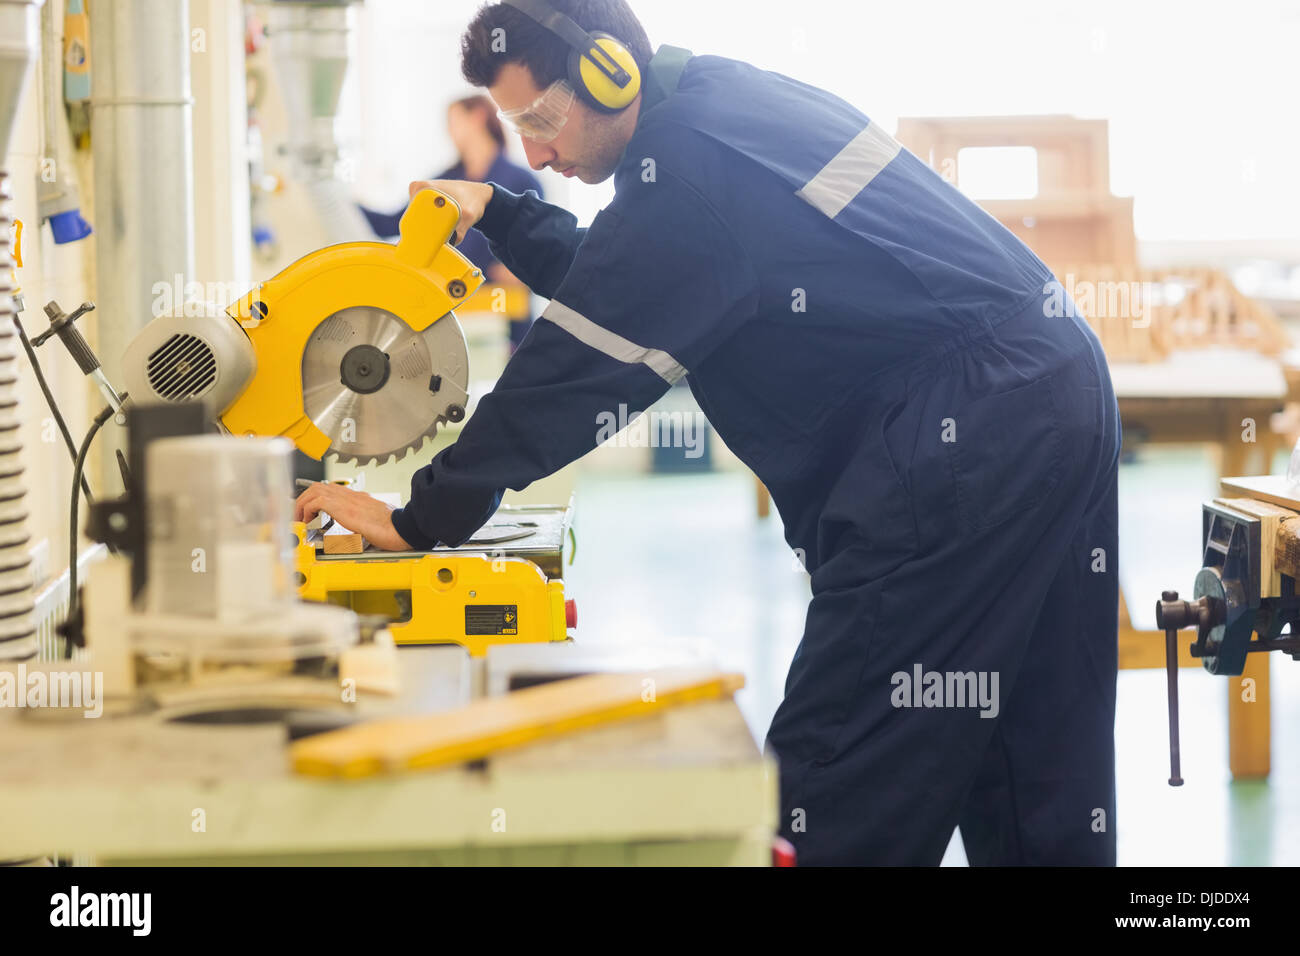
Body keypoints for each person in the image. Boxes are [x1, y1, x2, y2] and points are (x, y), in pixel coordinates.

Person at [296, 0, 1121, 866]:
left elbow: (580, 359)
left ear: (606, 70)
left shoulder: (686, 169)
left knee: (839, 780)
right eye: (518, 129)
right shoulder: (718, 108)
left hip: (970, 436)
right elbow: (651, 278)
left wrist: (422, 518)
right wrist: (499, 214)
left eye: (541, 120)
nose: (535, 150)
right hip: (1047, 390)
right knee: (1036, 760)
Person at [359, 94, 542, 350]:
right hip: (452, 304)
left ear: (477, 116)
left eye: (453, 121)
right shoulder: (447, 180)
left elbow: (539, 247)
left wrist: (520, 270)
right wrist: (343, 202)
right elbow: (394, 222)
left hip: (505, 311)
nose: (449, 131)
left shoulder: (522, 181)